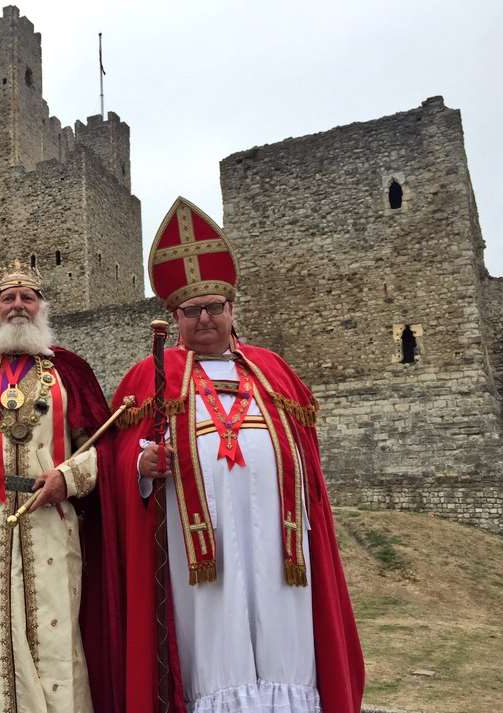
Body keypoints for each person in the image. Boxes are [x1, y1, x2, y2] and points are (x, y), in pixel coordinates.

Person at [113, 197, 364, 713]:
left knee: (283, 634)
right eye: (191, 311)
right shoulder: (150, 374)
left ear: (232, 310)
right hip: (195, 549)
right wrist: (140, 467)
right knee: (211, 637)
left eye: (214, 308)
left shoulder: (273, 370)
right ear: (173, 316)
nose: (203, 318)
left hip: (280, 540)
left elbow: (308, 461)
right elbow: (118, 454)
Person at [0, 260, 123, 713]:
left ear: (42, 307)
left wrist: (69, 477)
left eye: (28, 298)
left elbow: (107, 449)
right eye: (8, 298)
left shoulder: (70, 371)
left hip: (52, 518)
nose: (18, 306)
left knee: (56, 634)